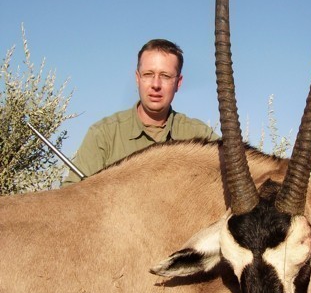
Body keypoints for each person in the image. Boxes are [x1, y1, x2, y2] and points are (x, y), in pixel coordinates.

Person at [62, 39, 219, 185]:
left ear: (178, 83)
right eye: (148, 74)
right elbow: (71, 199)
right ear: (137, 78)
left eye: (165, 76)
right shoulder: (103, 135)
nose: (155, 85)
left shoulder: (200, 135)